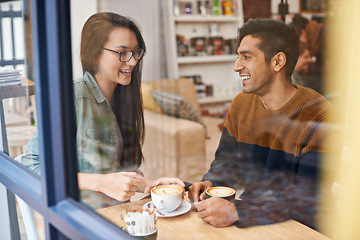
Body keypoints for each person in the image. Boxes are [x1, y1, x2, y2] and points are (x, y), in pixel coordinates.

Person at [188, 18, 341, 233]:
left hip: (305, 228)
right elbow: (227, 162)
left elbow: (307, 195)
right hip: (255, 220)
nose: (236, 66)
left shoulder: (320, 115)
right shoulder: (241, 105)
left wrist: (238, 211)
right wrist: (211, 183)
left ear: (278, 62)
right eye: (238, 56)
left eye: (246, 57)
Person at [21, 12, 184, 209]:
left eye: (136, 52)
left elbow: (117, 172)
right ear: (95, 55)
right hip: (83, 218)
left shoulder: (124, 99)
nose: (132, 61)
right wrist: (100, 182)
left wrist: (150, 184)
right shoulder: (73, 96)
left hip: (117, 216)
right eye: (122, 53)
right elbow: (31, 166)